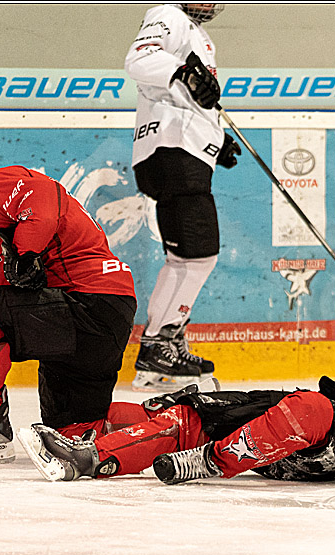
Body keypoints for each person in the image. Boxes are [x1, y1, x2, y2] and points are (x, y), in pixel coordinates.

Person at [18, 332, 335, 486]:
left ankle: (209, 462)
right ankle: (87, 452)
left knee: (305, 410)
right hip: (305, 418)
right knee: (193, 413)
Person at [0, 150, 137, 463]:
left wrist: (25, 253)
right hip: (104, 315)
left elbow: (40, 198)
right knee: (73, 432)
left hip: (87, 301)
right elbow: (9, 297)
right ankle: (181, 416)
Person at [123, 3, 241, 391]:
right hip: (173, 153)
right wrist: (184, 72)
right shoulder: (168, 15)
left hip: (171, 154)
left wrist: (216, 141)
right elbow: (140, 60)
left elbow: (186, 98)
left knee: (182, 259)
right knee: (201, 256)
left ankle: (157, 350)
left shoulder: (196, 34)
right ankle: (162, 342)